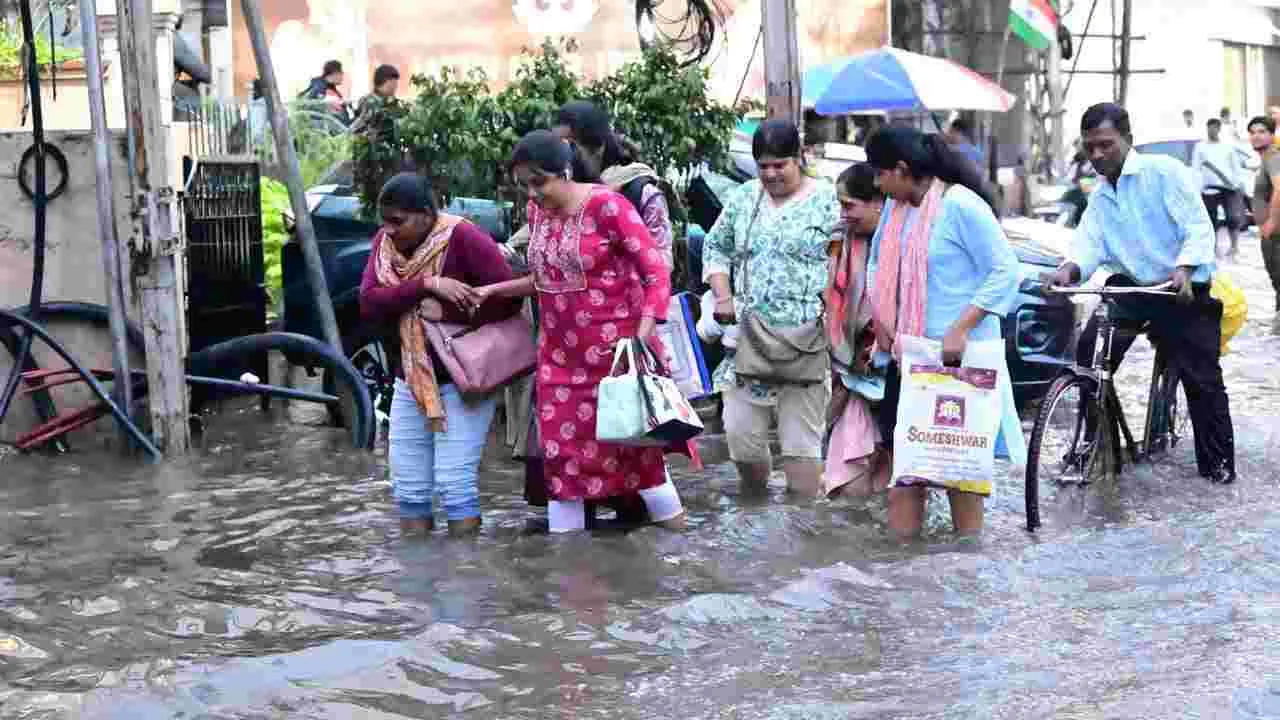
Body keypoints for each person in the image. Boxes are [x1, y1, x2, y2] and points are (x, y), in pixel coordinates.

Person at [467, 130, 687, 534]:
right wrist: (493, 290)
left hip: (617, 360)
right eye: (524, 186)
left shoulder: (609, 206)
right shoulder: (538, 214)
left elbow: (656, 272)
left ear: (565, 170)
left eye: (539, 182)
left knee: (641, 461)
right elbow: (545, 278)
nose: (532, 194)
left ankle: (681, 552)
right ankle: (566, 574)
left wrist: (641, 337)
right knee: (562, 466)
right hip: (560, 362)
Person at [1046, 103, 1235, 484]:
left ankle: (1219, 475)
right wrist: (1069, 269)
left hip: (1178, 286)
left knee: (1202, 380)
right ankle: (1093, 444)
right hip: (1131, 286)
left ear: (1127, 141)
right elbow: (1089, 242)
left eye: (1105, 145)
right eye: (1090, 147)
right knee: (1089, 356)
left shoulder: (1163, 173)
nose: (1097, 155)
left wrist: (1184, 268)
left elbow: (1198, 226)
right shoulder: (1099, 195)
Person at [864, 127, 1023, 538]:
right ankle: (903, 572)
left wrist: (962, 327)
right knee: (906, 469)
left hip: (958, 358)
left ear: (900, 170)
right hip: (909, 355)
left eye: (880, 175)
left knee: (960, 472)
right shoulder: (896, 210)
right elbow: (877, 264)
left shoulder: (960, 205)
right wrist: (883, 324)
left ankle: (966, 571)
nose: (877, 184)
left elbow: (1006, 270)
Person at [358, 173, 523, 535]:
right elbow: (369, 302)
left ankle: (462, 579)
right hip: (410, 380)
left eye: (397, 221)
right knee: (409, 492)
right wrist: (426, 286)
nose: (388, 230)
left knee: (454, 486)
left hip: (462, 378)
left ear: (425, 215)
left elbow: (510, 302)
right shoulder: (384, 246)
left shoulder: (463, 237)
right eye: (384, 221)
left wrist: (450, 312)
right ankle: (421, 584)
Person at [702, 119, 839, 498]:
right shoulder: (745, 197)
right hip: (750, 341)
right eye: (763, 166)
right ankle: (757, 518)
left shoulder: (828, 200)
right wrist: (723, 296)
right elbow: (716, 247)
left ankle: (805, 537)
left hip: (805, 340)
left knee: (801, 451)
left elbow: (847, 258)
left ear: (800, 158)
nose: (771, 174)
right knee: (741, 442)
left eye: (780, 165)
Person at [822, 163, 890, 498]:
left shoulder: (901, 242)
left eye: (849, 205)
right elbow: (831, 299)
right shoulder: (840, 241)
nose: (842, 213)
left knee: (894, 475)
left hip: (893, 368)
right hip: (851, 374)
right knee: (851, 482)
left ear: (878, 201)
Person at [552, 100, 674, 268]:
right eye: (562, 144)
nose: (569, 154)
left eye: (573, 143)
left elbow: (662, 262)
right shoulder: (559, 193)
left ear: (598, 146)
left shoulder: (640, 190)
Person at [1192, 118, 1248, 256]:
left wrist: (1238, 184)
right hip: (1209, 188)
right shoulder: (1200, 147)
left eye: (1214, 127)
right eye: (1209, 128)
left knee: (1232, 218)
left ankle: (1234, 247)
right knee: (1211, 219)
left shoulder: (1227, 146)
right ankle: (1213, 248)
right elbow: (1195, 169)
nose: (1211, 130)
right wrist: (1197, 187)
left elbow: (1235, 167)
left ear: (1219, 129)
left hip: (1229, 187)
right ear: (1207, 129)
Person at [1248, 115, 1280, 312]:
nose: (1256, 136)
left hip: (1276, 236)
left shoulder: (1273, 158)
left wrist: (1271, 223)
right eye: (1252, 133)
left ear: (1272, 134)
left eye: (1261, 132)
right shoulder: (1268, 159)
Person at [351, 64, 401, 135]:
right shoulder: (368, 102)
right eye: (394, 82)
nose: (396, 86)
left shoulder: (391, 101)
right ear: (386, 81)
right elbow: (361, 128)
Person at [300, 59, 351, 125]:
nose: (342, 76)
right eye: (341, 73)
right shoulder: (320, 88)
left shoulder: (328, 87)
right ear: (335, 73)